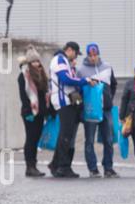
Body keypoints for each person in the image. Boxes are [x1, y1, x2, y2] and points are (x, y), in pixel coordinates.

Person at [76, 43, 118, 178]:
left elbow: (113, 84)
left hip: (106, 109)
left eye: (95, 55)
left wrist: (109, 98)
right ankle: (93, 169)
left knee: (108, 139)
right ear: (87, 55)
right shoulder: (81, 70)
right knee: (89, 140)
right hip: (90, 110)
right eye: (90, 55)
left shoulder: (107, 67)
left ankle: (108, 168)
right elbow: (77, 89)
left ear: (98, 54)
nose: (93, 57)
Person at [48, 41, 85, 178]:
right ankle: (63, 167)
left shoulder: (64, 61)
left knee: (65, 134)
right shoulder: (59, 60)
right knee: (65, 135)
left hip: (67, 101)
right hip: (64, 101)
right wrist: (85, 80)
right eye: (76, 54)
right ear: (70, 50)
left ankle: (55, 164)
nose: (76, 57)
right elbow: (66, 79)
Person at [18, 45, 49, 177]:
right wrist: (29, 110)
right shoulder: (23, 76)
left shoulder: (41, 74)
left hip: (40, 112)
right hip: (29, 112)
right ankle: (29, 166)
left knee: (36, 139)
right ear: (29, 63)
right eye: (34, 61)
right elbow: (23, 96)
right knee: (30, 139)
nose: (37, 63)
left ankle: (34, 165)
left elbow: (44, 93)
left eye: (38, 61)